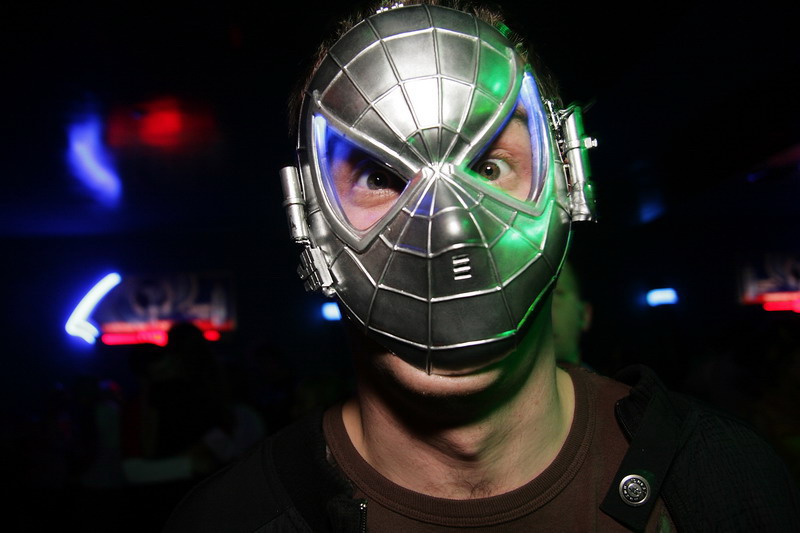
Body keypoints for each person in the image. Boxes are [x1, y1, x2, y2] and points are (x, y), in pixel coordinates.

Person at [165, 1, 800, 531]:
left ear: (568, 181)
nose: (449, 229)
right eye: (382, 178)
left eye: (489, 167)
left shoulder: (722, 481)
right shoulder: (231, 521)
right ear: (309, 220)